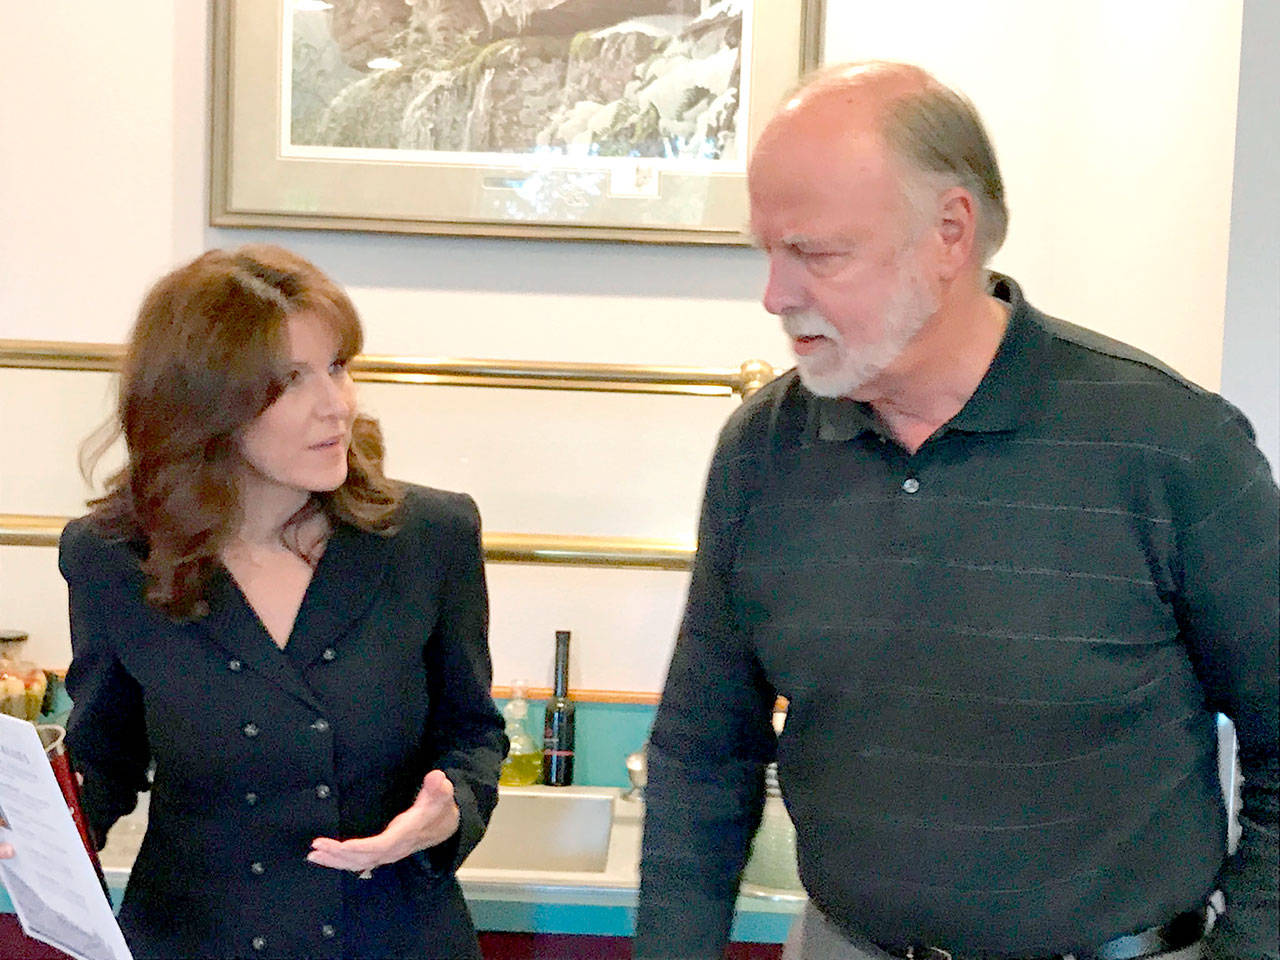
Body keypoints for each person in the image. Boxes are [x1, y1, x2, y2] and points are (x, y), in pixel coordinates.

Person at [635, 62, 1278, 960]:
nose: (775, 295)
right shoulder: (762, 452)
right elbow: (704, 754)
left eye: (816, 253)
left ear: (949, 234)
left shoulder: (1171, 445)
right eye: (767, 252)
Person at [26, 245, 505, 958]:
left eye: (338, 367)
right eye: (290, 381)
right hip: (194, 941)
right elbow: (105, 755)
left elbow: (471, 734)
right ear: (201, 404)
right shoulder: (112, 557)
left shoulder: (430, 538)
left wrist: (449, 811)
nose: (336, 404)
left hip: (394, 938)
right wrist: (33, 831)